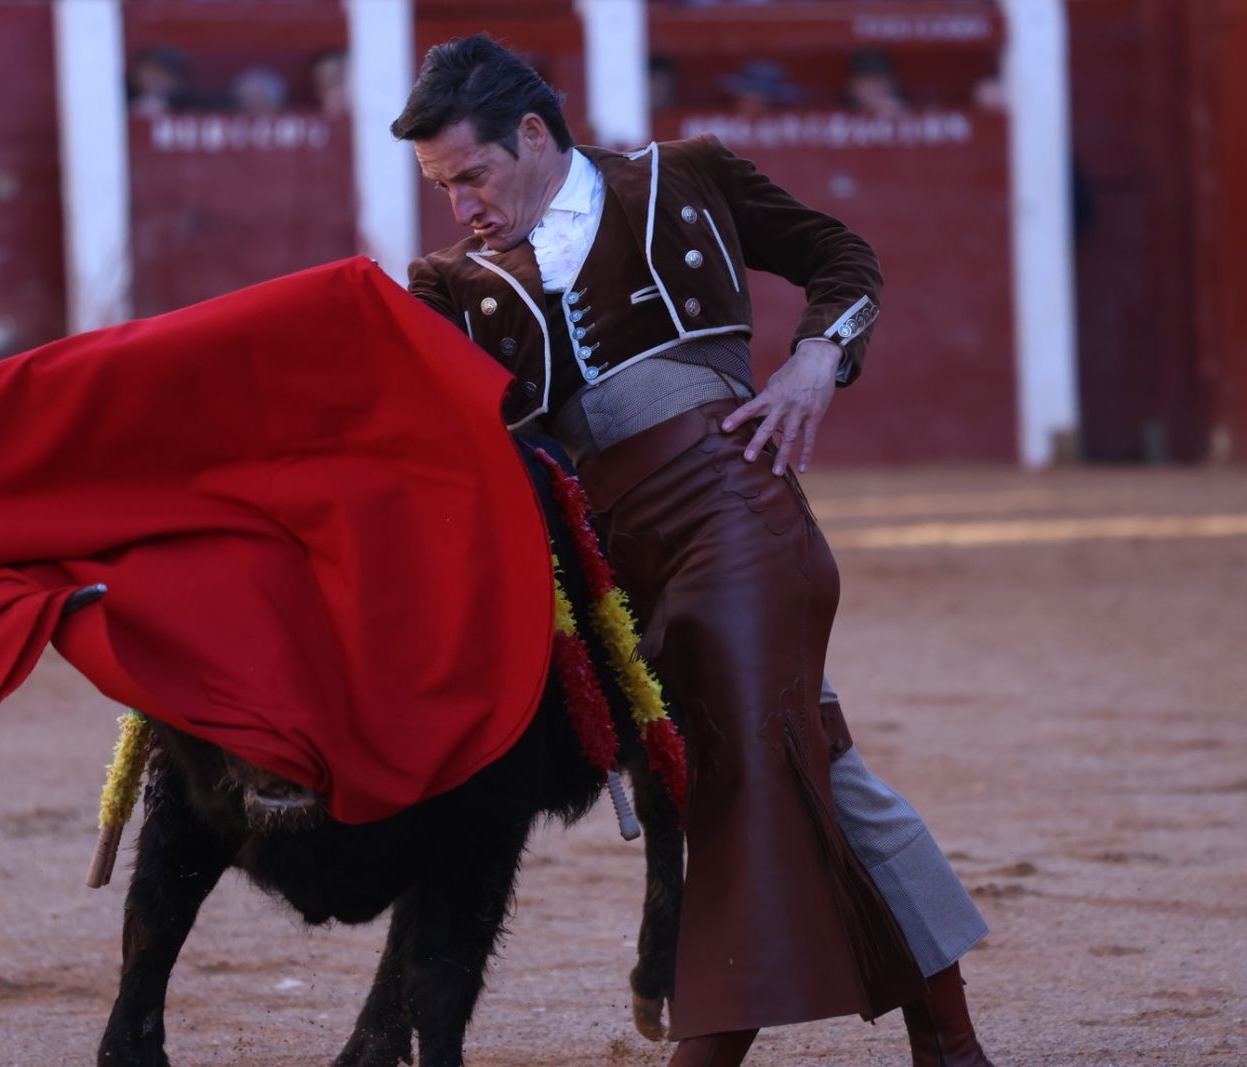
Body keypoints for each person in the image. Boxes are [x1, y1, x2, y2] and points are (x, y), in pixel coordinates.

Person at [392, 36, 995, 1067]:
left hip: (735, 515)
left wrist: (816, 355)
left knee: (730, 770)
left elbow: (843, 257)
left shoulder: (686, 178)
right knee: (823, 770)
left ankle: (707, 1050)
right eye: (443, 188)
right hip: (615, 573)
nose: (463, 208)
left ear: (531, 135)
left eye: (473, 176)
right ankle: (947, 1035)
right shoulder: (455, 284)